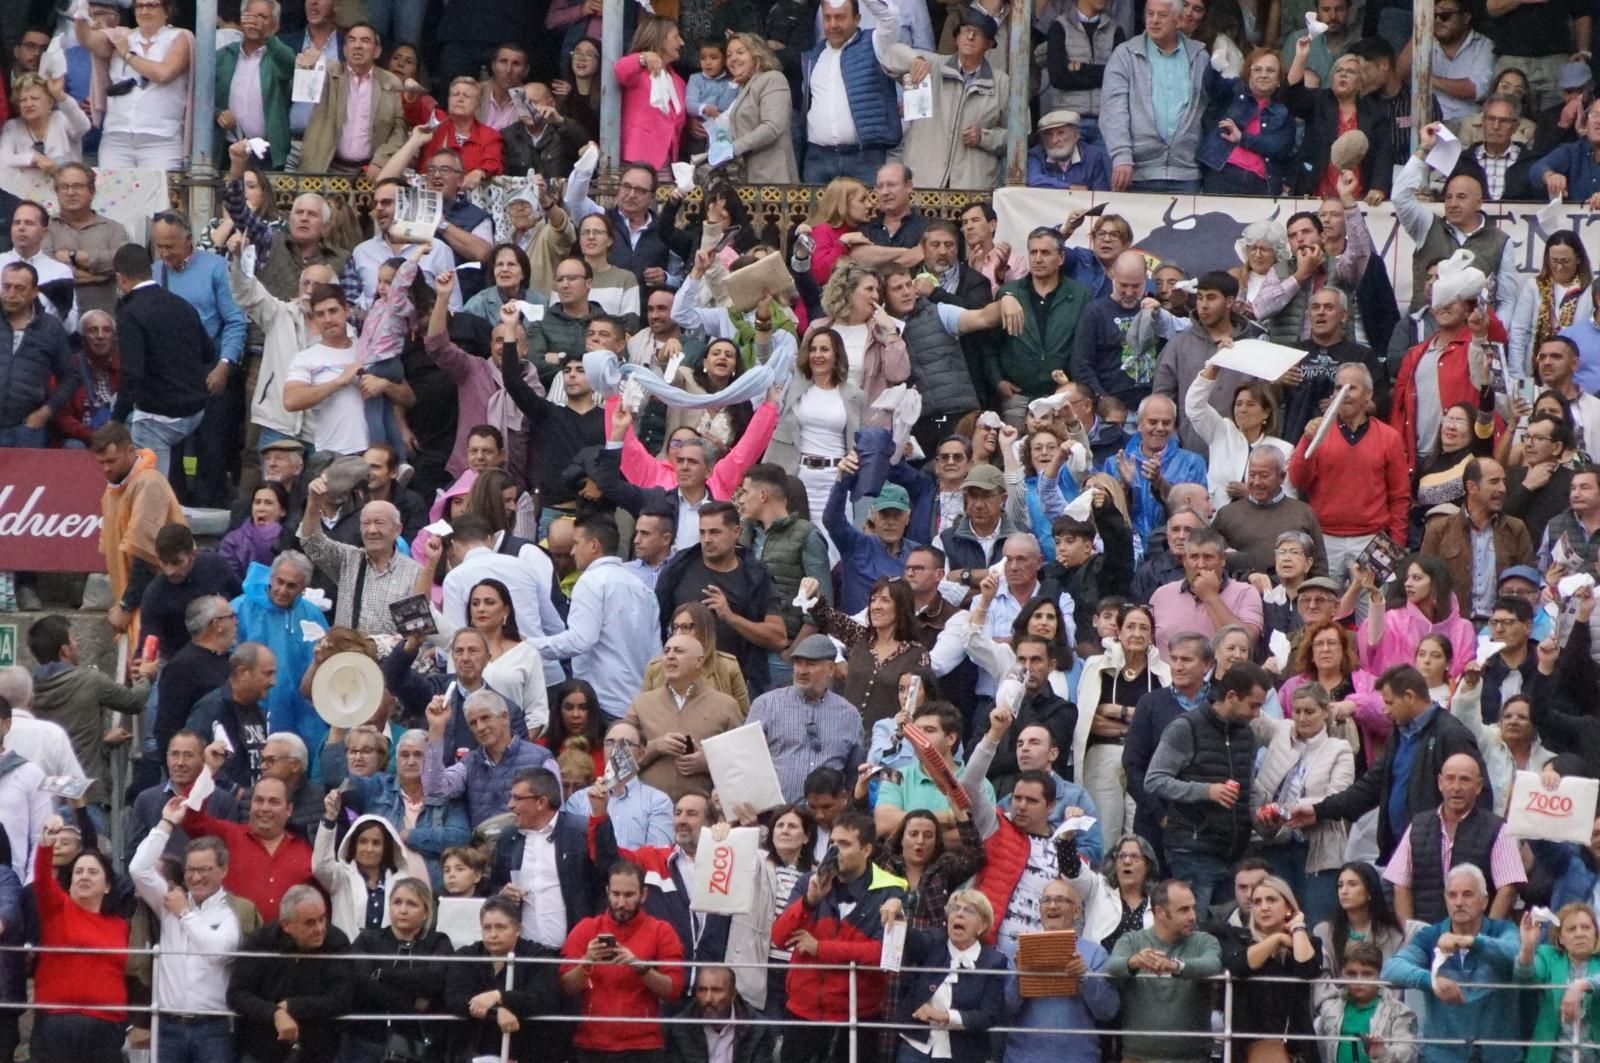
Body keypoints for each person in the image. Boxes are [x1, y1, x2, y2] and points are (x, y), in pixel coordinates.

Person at [1288, 664, 1486, 865]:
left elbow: (1479, 794)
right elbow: (1368, 789)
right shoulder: (1399, 735)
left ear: (1409, 697)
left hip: (1439, 858)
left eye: (1390, 703)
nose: (1385, 710)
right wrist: (1319, 810)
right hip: (1399, 854)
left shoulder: (1451, 734)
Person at [771, 811, 906, 1063]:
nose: (835, 851)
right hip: (803, 1013)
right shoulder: (808, 883)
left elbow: (885, 955)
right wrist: (809, 902)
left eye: (844, 844)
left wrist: (820, 948)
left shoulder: (891, 892)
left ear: (866, 850)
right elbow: (779, 937)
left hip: (857, 1017)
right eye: (832, 843)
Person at [1145, 661, 1270, 904]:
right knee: (1196, 929)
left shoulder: (1247, 735)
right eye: (1253, 705)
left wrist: (1261, 818)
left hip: (1236, 854)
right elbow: (1154, 780)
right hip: (1192, 851)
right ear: (1232, 696)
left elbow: (1248, 787)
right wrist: (1206, 791)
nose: (1257, 714)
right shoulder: (1185, 728)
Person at [129, 810, 251, 1061]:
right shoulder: (169, 900)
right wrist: (166, 823)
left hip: (213, 1029)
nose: (196, 877)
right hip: (168, 1026)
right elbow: (138, 868)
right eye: (190, 870)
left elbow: (218, 952)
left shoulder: (233, 910)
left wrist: (185, 914)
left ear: (223, 870)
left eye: (204, 870)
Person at [1381, 864, 1522, 1063]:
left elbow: (1516, 954)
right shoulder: (1430, 936)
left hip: (1498, 1056)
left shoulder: (1503, 930)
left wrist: (1471, 942)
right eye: (1452, 895)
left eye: (1467, 895)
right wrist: (1431, 981)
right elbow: (1391, 970)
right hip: (1441, 1056)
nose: (1459, 902)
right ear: (1445, 900)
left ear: (1484, 901)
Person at [1288, 363, 1411, 576]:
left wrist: (1395, 544)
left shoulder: (1389, 438)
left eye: (1351, 388)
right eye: (1338, 388)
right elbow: (1299, 481)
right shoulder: (1318, 431)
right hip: (1324, 538)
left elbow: (1399, 496)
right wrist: (1308, 441)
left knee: (1372, 606)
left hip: (1373, 538)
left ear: (1368, 394)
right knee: (1324, 604)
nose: (1343, 394)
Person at [871, 4, 1009, 189]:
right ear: (956, 38)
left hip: (972, 188)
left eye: (978, 33)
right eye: (965, 31)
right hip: (924, 180)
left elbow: (1019, 137)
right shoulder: (932, 65)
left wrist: (984, 137)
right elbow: (890, 55)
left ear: (989, 44)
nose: (970, 37)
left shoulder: (1003, 83)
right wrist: (914, 60)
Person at [558, 859, 686, 1059]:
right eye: (616, 894)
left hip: (643, 1045)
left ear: (643, 895)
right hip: (591, 1043)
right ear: (607, 892)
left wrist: (640, 968)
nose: (621, 903)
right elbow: (565, 986)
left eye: (629, 895)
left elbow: (674, 990)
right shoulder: (586, 928)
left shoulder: (661, 931)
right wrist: (587, 962)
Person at [1252, 684, 1354, 927]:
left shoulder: (1339, 749)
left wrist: (1287, 808)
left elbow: (1338, 797)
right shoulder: (1282, 729)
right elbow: (1252, 713)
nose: (1301, 718)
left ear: (1325, 711)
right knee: (1276, 922)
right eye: (1296, 711)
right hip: (1275, 841)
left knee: (1318, 923)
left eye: (1309, 711)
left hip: (1318, 848)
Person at [109, 244, 214, 479]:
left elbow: (132, 373)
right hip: (195, 410)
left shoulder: (130, 313)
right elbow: (208, 353)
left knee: (149, 488)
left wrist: (116, 419)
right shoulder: (182, 305)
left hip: (159, 417)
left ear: (120, 279)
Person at [1383, 752, 1524, 924]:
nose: (1456, 787)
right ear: (1440, 783)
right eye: (1450, 779)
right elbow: (1401, 885)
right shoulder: (1418, 825)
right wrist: (1411, 936)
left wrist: (1486, 940)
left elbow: (1507, 889)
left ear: (1479, 786)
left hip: (1477, 940)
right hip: (1427, 938)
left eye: (1464, 780)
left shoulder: (1498, 829)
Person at [878, 888, 1010, 1063]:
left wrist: (944, 1016)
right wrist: (898, 913)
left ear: (982, 925)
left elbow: (988, 1016)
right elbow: (910, 938)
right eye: (954, 909)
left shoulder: (994, 961)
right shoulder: (934, 941)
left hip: (963, 1054)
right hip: (916, 1049)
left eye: (969, 911)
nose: (959, 915)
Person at [29, 832, 128, 1063]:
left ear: (107, 886)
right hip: (57, 1022)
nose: (84, 877)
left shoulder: (120, 925)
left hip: (107, 1025)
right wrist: (46, 845)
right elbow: (43, 881)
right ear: (70, 881)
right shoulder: (57, 909)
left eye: (93, 872)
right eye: (78, 872)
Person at [227, 885, 353, 1063]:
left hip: (318, 1049)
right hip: (261, 1047)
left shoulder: (336, 941)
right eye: (309, 923)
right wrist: (275, 1014)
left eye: (322, 919)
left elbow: (343, 998)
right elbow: (236, 995)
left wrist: (293, 1006)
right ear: (286, 925)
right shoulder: (261, 941)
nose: (319, 929)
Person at [1107, 879, 1223, 1063]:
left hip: (1193, 1058)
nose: (1193, 916)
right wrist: (1134, 961)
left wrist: (1175, 966)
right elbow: (1111, 967)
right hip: (1136, 1058)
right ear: (1159, 912)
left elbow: (1212, 965)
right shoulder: (1131, 941)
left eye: (1193, 908)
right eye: (1183, 910)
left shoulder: (1205, 941)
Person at [1100, 0, 1208, 193]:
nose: (1154, 21)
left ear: (1177, 18)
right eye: (1150, 14)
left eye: (1162, 15)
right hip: (1136, 171)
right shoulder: (1125, 55)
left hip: (1187, 171)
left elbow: (1210, 108)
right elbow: (1114, 111)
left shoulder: (1200, 56)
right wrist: (1121, 156)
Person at [623, 632, 745, 803]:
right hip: (648, 811)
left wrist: (709, 762)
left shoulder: (726, 705)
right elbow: (617, 765)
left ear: (699, 661)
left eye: (678, 651)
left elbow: (744, 765)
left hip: (705, 814)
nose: (670, 656)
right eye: (666, 651)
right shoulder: (641, 704)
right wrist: (655, 747)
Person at [72, 0, 193, 170]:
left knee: (159, 194)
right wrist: (80, 14)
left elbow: (163, 74)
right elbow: (88, 40)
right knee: (114, 194)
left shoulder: (180, 36)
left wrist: (126, 54)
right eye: (139, 6)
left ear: (166, 10)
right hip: (116, 136)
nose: (144, 11)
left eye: (151, 5)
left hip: (161, 139)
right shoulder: (122, 35)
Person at [747, 633, 867, 803]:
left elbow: (853, 773)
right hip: (778, 816)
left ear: (831, 669)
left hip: (827, 818)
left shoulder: (849, 714)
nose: (801, 671)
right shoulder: (766, 705)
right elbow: (747, 762)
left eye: (810, 664)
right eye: (797, 663)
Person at [1219, 875, 1321, 1056]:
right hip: (1248, 1044)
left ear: (1288, 906)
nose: (1264, 907)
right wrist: (1277, 938)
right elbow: (1239, 965)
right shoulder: (1237, 937)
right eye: (1257, 902)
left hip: (1295, 1044)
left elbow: (1307, 969)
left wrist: (1297, 927)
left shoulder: (1307, 941)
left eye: (1271, 900)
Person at [298, 22, 408, 174]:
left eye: (365, 40)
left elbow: (399, 130)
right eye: (352, 40)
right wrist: (309, 64)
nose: (357, 45)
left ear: (377, 51)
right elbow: (308, 75)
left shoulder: (390, 82)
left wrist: (381, 161)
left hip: (370, 169)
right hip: (326, 166)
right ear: (344, 49)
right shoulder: (329, 73)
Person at [212, 0, 294, 169]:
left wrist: (267, 37)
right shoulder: (224, 55)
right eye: (250, 16)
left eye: (263, 17)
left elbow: (289, 66)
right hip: (228, 148)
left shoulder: (277, 56)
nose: (255, 21)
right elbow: (203, 98)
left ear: (275, 25)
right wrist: (218, 113)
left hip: (265, 152)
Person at [1516, 902, 1600, 1063]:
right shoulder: (1548, 956)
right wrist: (1527, 947)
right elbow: (1524, 978)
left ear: (1596, 933)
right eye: (1571, 929)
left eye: (1586, 927)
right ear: (1560, 938)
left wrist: (1581, 985)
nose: (1579, 933)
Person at [1312, 940, 1419, 1063]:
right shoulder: (1330, 1009)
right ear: (1342, 974)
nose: (1359, 981)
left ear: (1379, 975)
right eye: (1351, 974)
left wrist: (1384, 1053)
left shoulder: (1399, 1012)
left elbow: (1409, 1053)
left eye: (1367, 974)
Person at [0, 75, 90, 168]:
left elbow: (83, 127)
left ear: (50, 102)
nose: (28, 104)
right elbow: (3, 159)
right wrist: (33, 158)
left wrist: (60, 95)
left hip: (67, 181)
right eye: (22, 100)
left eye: (35, 98)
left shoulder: (61, 119)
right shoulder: (12, 126)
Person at [1532, 99, 1600, 205]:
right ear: (1586, 125)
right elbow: (1536, 168)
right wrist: (1550, 176)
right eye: (1595, 115)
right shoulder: (1573, 151)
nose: (1599, 122)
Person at [1027, 109, 1114, 190]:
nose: (1054, 140)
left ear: (1076, 136)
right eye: (1049, 134)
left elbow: (1101, 193)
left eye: (1061, 133)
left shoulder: (1093, 157)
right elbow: (1034, 180)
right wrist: (1068, 187)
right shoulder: (1036, 155)